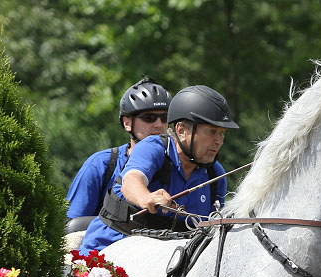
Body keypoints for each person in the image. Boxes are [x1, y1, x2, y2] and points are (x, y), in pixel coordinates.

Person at [78, 85, 239, 253]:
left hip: (163, 265)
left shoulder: (216, 173)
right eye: (212, 131)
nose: (219, 141)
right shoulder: (153, 147)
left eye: (222, 133)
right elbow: (132, 180)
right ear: (181, 130)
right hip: (107, 251)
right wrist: (145, 197)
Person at [64, 77, 172, 232]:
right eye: (149, 118)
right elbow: (71, 228)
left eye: (164, 118)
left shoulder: (183, 167)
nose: (158, 124)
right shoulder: (100, 164)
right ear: (127, 123)